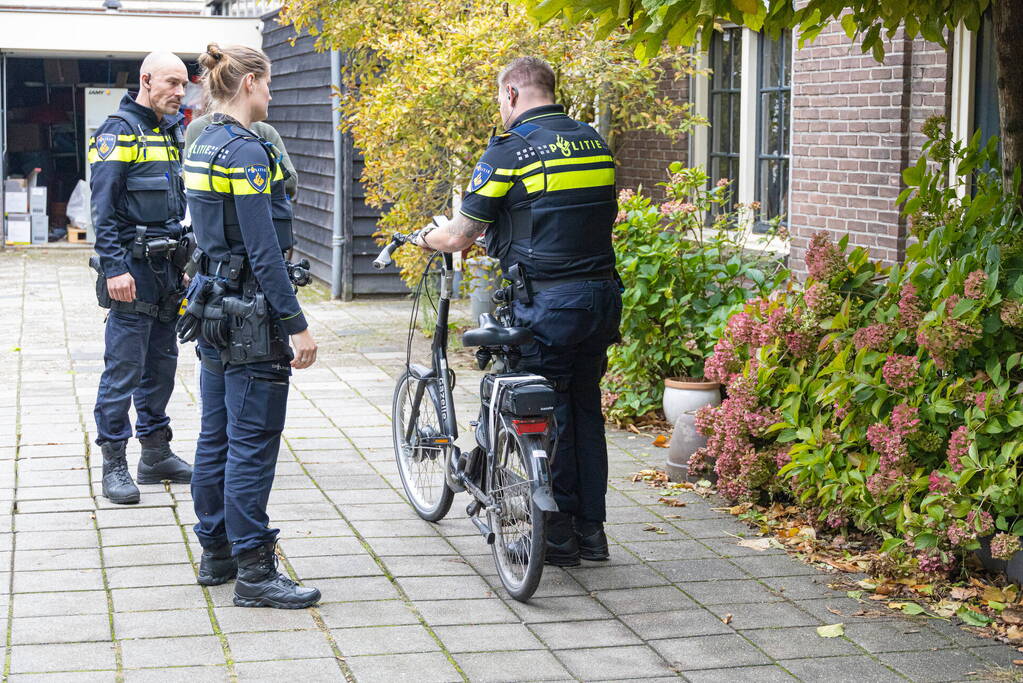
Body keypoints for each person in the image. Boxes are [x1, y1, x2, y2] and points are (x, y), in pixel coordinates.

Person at [412, 57, 622, 567]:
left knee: (545, 414)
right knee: (585, 411)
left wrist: (424, 238)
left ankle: (556, 539)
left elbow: (459, 235)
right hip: (601, 298)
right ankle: (591, 533)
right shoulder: (593, 141)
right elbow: (561, 215)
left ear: (510, 93)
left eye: (498, 99)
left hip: (548, 304)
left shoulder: (509, 151)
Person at [182, 43, 320, 608]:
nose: (271, 93)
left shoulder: (202, 142)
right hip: (251, 316)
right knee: (252, 443)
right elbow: (264, 253)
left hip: (213, 306)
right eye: (268, 83)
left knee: (215, 434)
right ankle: (256, 572)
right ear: (249, 83)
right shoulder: (245, 152)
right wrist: (297, 324)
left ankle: (216, 552)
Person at [89, 51, 194, 505]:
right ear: (146, 80)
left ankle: (155, 454)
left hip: (167, 269)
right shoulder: (117, 132)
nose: (180, 92)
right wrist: (114, 267)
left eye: (184, 84)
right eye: (172, 83)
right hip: (131, 271)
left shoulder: (171, 131)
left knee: (161, 366)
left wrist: (187, 265)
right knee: (124, 369)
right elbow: (102, 209)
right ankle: (114, 461)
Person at [185, 112, 299, 200]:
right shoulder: (198, 128)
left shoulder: (264, 131)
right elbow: (189, 178)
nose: (269, 97)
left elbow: (291, 182)